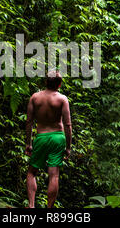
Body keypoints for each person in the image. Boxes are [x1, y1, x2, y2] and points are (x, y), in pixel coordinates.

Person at [25, 71, 72, 208]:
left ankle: (31, 205)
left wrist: (28, 143)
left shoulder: (35, 98)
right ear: (59, 84)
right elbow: (68, 125)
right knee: (54, 175)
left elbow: (29, 122)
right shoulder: (62, 99)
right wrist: (68, 147)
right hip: (58, 137)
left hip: (41, 137)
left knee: (32, 172)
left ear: (46, 82)